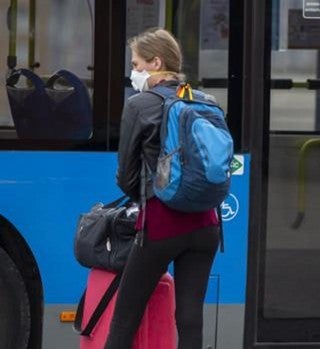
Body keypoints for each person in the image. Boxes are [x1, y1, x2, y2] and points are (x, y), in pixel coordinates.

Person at [104, 28, 220, 349]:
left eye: (137, 63)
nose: (133, 71)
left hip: (161, 224)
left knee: (126, 315)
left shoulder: (140, 105)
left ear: (155, 63)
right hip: (207, 224)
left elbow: (126, 176)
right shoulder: (205, 102)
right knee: (190, 318)